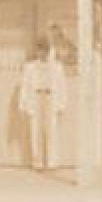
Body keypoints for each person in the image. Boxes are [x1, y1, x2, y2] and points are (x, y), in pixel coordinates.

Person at [18, 37, 68, 172]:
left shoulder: (56, 67)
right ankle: (37, 162)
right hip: (36, 97)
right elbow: (25, 86)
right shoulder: (30, 67)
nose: (43, 53)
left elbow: (62, 86)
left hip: (51, 97)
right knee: (35, 130)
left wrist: (62, 104)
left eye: (45, 50)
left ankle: (52, 162)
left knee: (51, 130)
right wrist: (23, 104)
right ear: (37, 51)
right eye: (40, 50)